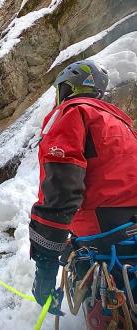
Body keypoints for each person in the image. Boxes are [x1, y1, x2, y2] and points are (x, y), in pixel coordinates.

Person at [28, 60, 137, 327]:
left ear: (66, 88)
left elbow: (60, 192)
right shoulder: (120, 122)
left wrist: (45, 267)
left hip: (101, 231)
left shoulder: (72, 113)